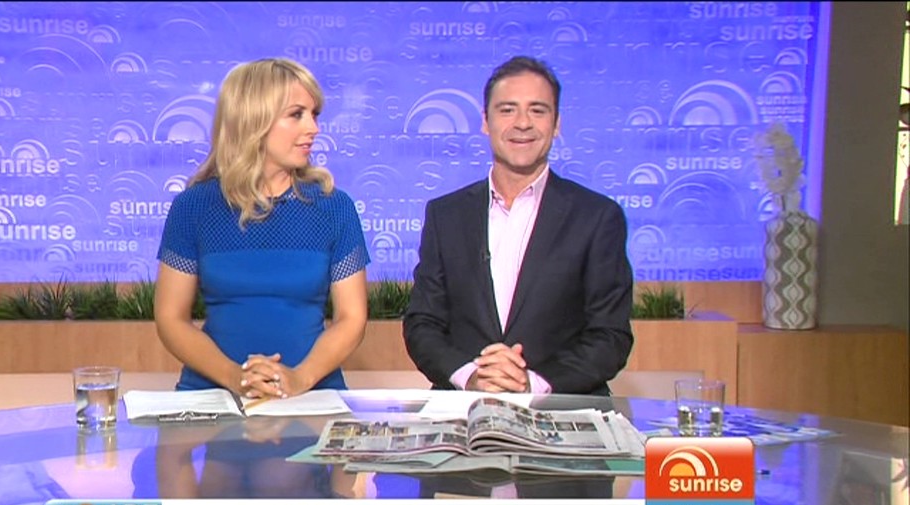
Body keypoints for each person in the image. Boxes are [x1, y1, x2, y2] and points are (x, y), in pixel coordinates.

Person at [403, 56, 633, 396]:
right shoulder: (446, 215)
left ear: (556, 123)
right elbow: (423, 324)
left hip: (560, 410)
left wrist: (531, 384)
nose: (523, 123)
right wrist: (472, 376)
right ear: (486, 121)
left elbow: (610, 336)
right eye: (507, 110)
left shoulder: (597, 217)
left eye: (538, 110)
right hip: (463, 410)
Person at [155, 58, 369, 399]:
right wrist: (234, 377)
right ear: (253, 119)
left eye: (314, 115)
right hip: (214, 395)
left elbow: (352, 318)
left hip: (311, 395)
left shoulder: (334, 208)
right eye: (297, 114)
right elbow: (171, 319)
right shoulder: (193, 207)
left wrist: (299, 379)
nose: (313, 128)